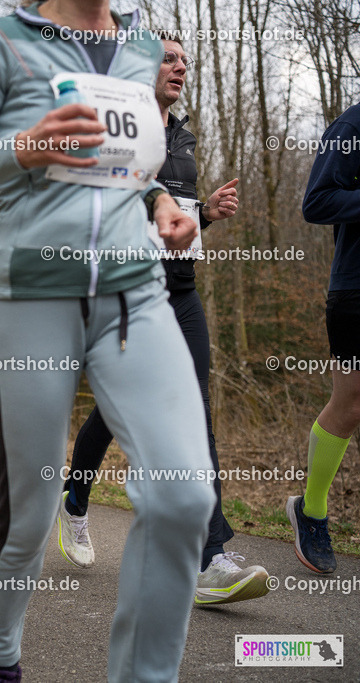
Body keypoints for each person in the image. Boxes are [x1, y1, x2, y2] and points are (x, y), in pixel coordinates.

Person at [0, 2, 215, 679]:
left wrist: (162, 202)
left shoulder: (141, 46)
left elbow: (129, 166)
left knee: (184, 497)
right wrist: (24, 147)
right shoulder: (2, 45)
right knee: (30, 513)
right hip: (32, 296)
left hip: (135, 293)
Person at [56, 32, 268, 606]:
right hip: (126, 292)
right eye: (168, 59)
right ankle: (75, 499)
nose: (180, 67)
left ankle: (211, 558)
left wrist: (208, 215)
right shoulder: (114, 129)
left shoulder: (184, 136)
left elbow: (174, 216)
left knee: (195, 411)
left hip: (182, 290)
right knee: (116, 411)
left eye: (184, 61)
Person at [287, 98, 360, 574]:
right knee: (351, 404)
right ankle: (311, 511)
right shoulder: (353, 125)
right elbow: (317, 202)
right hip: (355, 289)